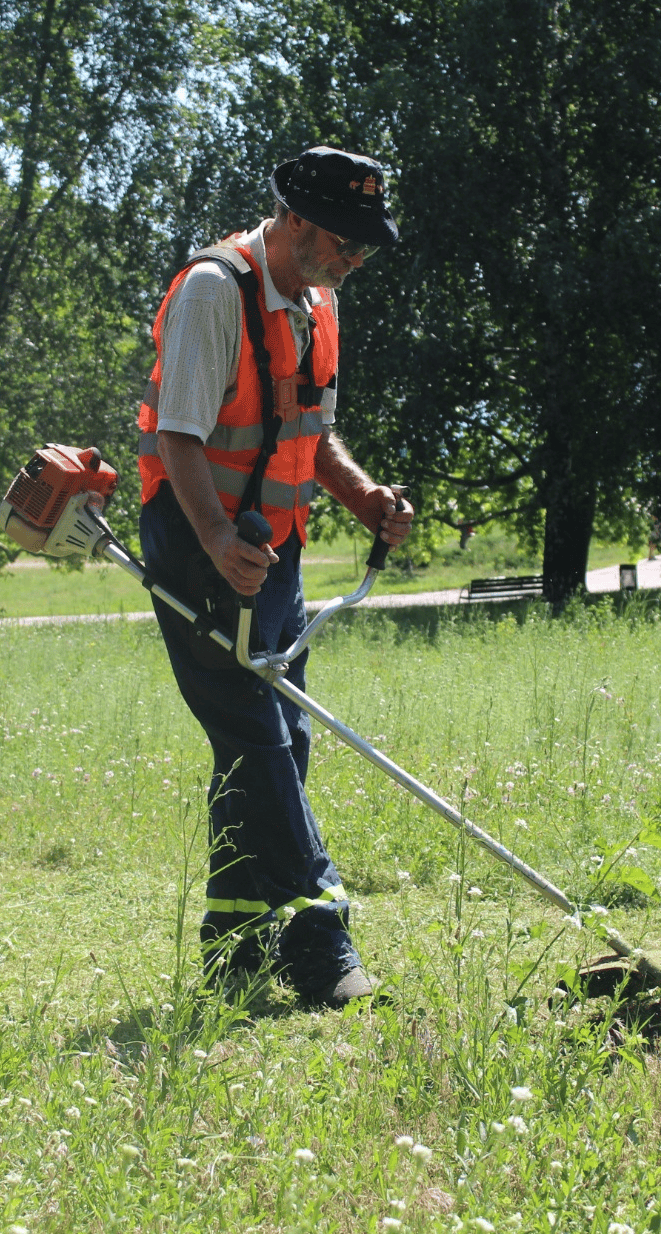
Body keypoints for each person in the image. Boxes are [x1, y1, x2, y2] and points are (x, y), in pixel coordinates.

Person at [135, 146, 414, 1008]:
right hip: (200, 547)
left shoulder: (319, 301)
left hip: (274, 553)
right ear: (295, 219)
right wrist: (216, 538)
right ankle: (324, 950)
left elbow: (313, 432)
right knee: (260, 740)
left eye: (367, 243)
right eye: (345, 238)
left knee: (274, 743)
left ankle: (235, 947)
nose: (356, 257)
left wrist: (364, 495)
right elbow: (180, 435)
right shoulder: (216, 290)